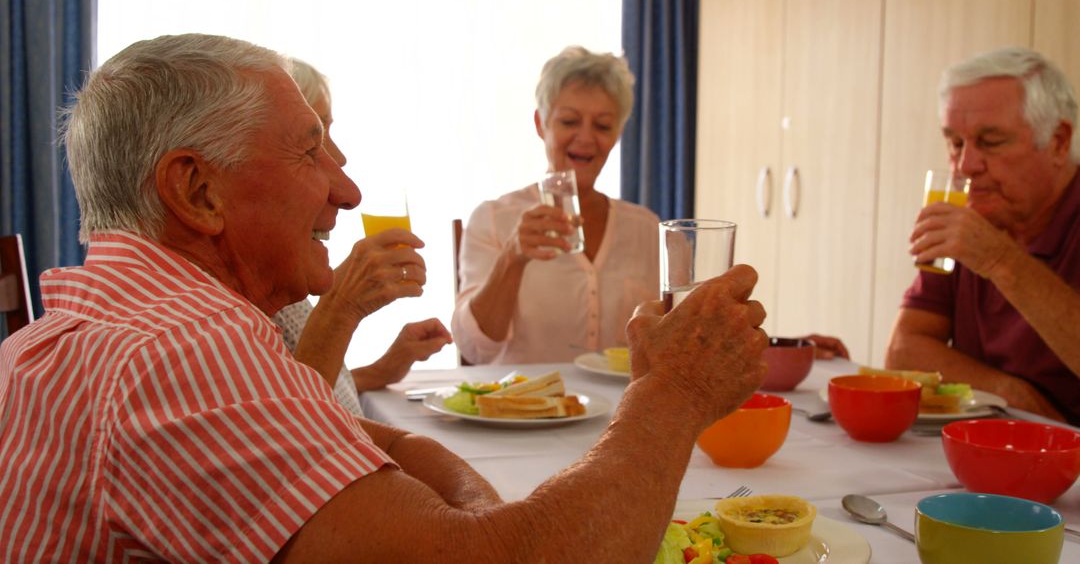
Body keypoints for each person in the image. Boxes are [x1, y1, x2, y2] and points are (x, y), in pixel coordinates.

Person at [0, 34, 767, 562]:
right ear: (197, 189)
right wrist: (673, 392)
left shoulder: (129, 322)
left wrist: (470, 498)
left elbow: (367, 439)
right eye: (311, 149)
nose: (347, 187)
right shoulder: (185, 354)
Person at [887, 47, 1080, 425]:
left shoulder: (978, 234)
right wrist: (1009, 394)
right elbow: (903, 351)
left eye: (990, 142)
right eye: (955, 143)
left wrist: (999, 260)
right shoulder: (971, 217)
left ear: (1058, 141)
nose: (966, 166)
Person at [451, 46, 659, 365]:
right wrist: (513, 257)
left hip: (621, 414)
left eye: (603, 126)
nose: (586, 138)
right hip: (520, 410)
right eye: (569, 121)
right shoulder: (493, 219)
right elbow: (475, 350)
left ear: (618, 133)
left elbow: (663, 338)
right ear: (541, 124)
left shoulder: (645, 227)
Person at [272, 58, 452, 416]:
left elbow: (293, 382)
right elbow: (290, 428)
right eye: (314, 140)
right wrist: (339, 307)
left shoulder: (282, 269)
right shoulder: (231, 300)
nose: (339, 157)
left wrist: (383, 368)